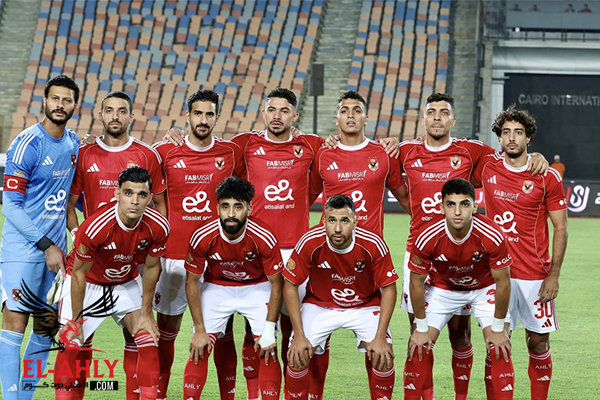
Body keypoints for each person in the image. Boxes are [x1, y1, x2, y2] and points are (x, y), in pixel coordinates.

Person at [396, 93, 547, 400]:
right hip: (422, 253)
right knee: (418, 336)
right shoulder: (404, 151)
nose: (437, 117)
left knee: (462, 334)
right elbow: (389, 177)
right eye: (431, 112)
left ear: (453, 120)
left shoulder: (471, 150)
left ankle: (460, 396)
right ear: (423, 119)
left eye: (444, 113)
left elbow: (509, 157)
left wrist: (536, 157)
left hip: (469, 259)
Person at [67, 90, 167, 399]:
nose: (115, 116)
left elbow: (160, 206)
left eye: (121, 111)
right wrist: (79, 236)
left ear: (131, 116)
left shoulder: (147, 154)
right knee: (75, 343)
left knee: (142, 336)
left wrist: (146, 242)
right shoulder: (85, 153)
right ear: (100, 115)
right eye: (109, 110)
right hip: (89, 263)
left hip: (128, 268)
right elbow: (70, 205)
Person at [152, 89, 244, 399]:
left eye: (209, 114)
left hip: (218, 259)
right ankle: (159, 393)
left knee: (222, 332)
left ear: (217, 117)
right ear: (187, 116)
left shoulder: (231, 152)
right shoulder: (165, 151)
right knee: (166, 331)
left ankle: (228, 395)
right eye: (198, 113)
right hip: (175, 257)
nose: (203, 120)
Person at [472, 106, 568, 400]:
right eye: (506, 132)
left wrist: (553, 275)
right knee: (497, 344)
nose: (511, 138)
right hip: (495, 275)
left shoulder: (546, 176)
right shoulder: (488, 167)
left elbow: (561, 228)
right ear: (499, 138)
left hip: (535, 276)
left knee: (538, 343)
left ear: (529, 138)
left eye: (518, 132)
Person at [53, 166, 170, 400]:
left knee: (148, 339)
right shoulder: (96, 226)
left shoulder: (158, 225)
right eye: (128, 193)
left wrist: (146, 313)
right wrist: (77, 321)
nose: (134, 201)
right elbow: (79, 274)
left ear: (150, 197)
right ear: (117, 194)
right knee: (72, 344)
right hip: (88, 283)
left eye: (141, 194)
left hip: (124, 282)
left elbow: (151, 267)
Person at [0, 74, 80, 400]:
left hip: (56, 254)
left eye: (67, 100)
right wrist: (46, 245)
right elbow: (10, 205)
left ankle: (25, 397)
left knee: (46, 328)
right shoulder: (27, 144)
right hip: (23, 251)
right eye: (55, 98)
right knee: (15, 325)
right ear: (44, 100)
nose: (60, 105)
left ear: (74, 105)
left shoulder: (73, 143)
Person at [404, 178, 514, 400]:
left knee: (499, 347)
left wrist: (498, 328)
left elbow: (503, 282)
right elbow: (416, 282)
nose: (457, 211)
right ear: (441, 207)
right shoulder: (427, 236)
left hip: (483, 288)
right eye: (451, 204)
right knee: (418, 347)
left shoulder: (492, 234)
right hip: (443, 289)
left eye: (464, 204)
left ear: (474, 206)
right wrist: (421, 328)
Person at [283, 194, 397, 400]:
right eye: (332, 220)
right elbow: (290, 284)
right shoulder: (310, 241)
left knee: (383, 356)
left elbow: (389, 288)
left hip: (364, 305)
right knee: (297, 355)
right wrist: (299, 335)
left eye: (344, 221)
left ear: (355, 222)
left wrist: (380, 337)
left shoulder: (372, 243)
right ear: (324, 221)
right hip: (320, 304)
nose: (337, 228)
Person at [183, 176, 284, 400]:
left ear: (249, 208)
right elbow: (191, 281)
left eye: (238, 207)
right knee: (199, 346)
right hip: (217, 287)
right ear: (217, 208)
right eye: (225, 206)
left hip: (256, 287)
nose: (231, 214)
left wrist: (269, 330)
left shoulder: (263, 236)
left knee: (268, 347)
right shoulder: (202, 235)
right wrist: (199, 329)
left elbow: (277, 283)